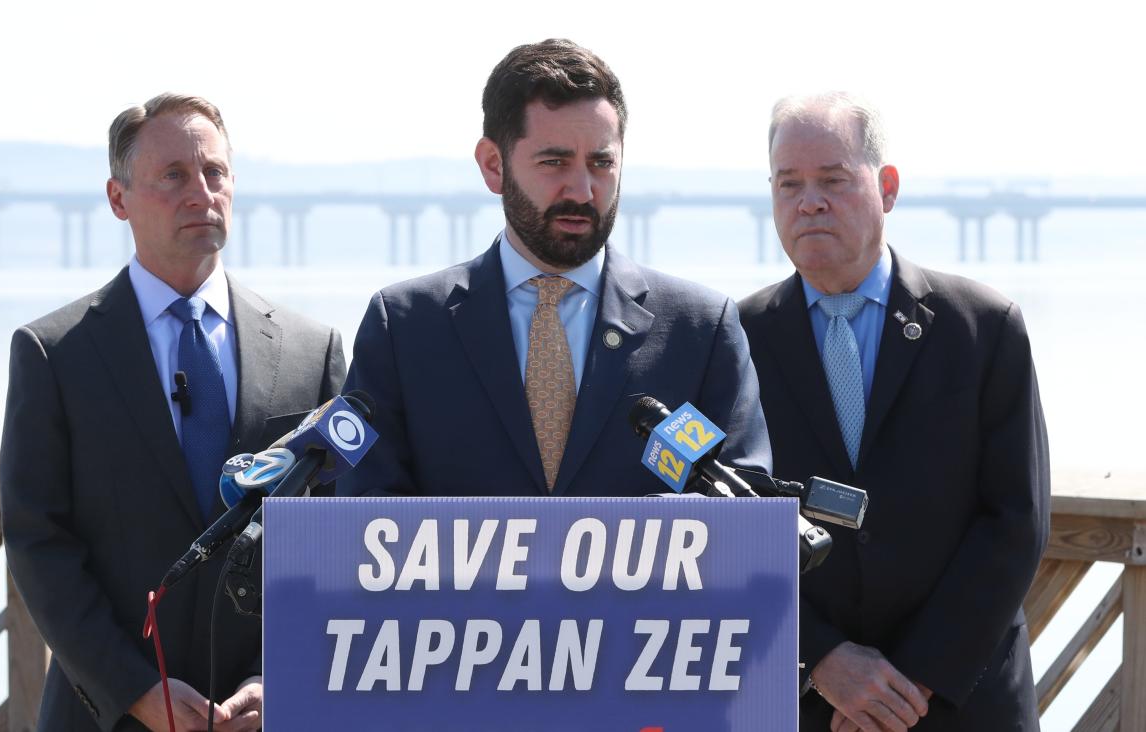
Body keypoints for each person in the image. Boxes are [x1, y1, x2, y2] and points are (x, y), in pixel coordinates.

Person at [0, 93, 345, 731]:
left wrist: (279, 675)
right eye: (174, 176)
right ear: (117, 198)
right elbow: (36, 540)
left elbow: (333, 539)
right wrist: (134, 688)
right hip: (107, 713)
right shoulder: (54, 354)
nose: (201, 193)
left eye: (214, 173)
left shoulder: (311, 350)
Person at [738, 92, 1049, 731]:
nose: (809, 201)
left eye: (833, 179)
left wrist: (907, 684)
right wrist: (820, 657)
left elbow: (1015, 521)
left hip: (960, 699)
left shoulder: (984, 328)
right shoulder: (733, 339)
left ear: (887, 186)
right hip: (802, 704)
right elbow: (721, 527)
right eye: (788, 183)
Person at [338, 39, 770, 498]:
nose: (582, 190)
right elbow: (361, 515)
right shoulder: (405, 327)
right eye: (555, 162)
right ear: (493, 165)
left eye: (601, 163)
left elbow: (746, 516)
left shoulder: (701, 329)